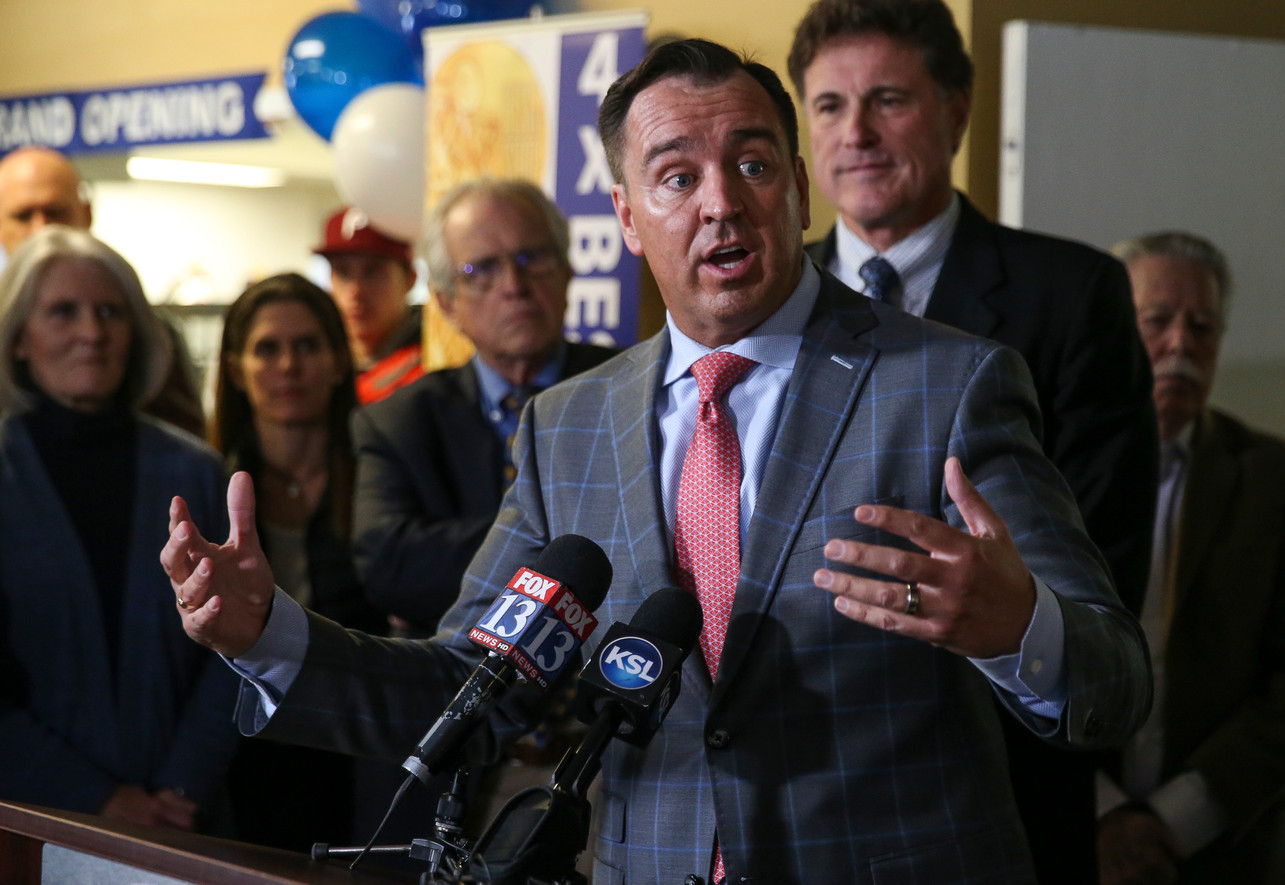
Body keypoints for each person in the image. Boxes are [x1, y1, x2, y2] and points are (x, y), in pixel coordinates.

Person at [163, 39, 1150, 883]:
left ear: (799, 188)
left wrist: (1019, 626)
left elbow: (1116, 680)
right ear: (628, 217)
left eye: (752, 164)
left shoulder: (947, 384)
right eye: (677, 177)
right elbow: (473, 689)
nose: (721, 202)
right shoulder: (568, 425)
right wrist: (270, 635)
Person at [787, 1, 1159, 878]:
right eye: (830, 106)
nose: (857, 133)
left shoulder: (1073, 294)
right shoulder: (763, 303)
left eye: (888, 100)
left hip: (997, 791)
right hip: (796, 789)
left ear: (957, 110)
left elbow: (1100, 566)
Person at [1095, 232, 1285, 885]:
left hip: (1237, 843)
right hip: (1072, 840)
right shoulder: (1046, 467)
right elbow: (1004, 656)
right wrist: (1103, 815)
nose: (1181, 344)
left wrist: (1178, 816)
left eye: (1201, 326)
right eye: (1157, 320)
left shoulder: (1283, 478)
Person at [0, 225, 236, 830]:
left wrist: (181, 788)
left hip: (185, 819)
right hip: (32, 822)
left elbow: (235, 645)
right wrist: (94, 797)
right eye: (63, 312)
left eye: (110, 312)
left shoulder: (195, 471)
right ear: (18, 337)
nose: (93, 332)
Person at [352, 178, 617, 638]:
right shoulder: (397, 420)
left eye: (532, 258)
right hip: (455, 669)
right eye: (482, 270)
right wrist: (568, 542)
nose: (514, 286)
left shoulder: (632, 386)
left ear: (568, 270)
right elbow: (389, 568)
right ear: (446, 303)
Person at [209, 272, 388, 850]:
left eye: (308, 345)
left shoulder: (383, 477)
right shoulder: (204, 485)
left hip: (364, 753)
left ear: (338, 362)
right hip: (239, 763)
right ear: (235, 370)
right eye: (267, 349)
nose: (289, 366)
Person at [0, 145, 207, 437]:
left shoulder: (149, 334)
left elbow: (184, 444)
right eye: (23, 216)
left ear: (86, 214)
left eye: (55, 213)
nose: (41, 230)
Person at [316, 206, 426, 404]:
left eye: (373, 271)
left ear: (410, 279)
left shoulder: (440, 361)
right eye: (343, 273)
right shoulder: (318, 366)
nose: (356, 291)